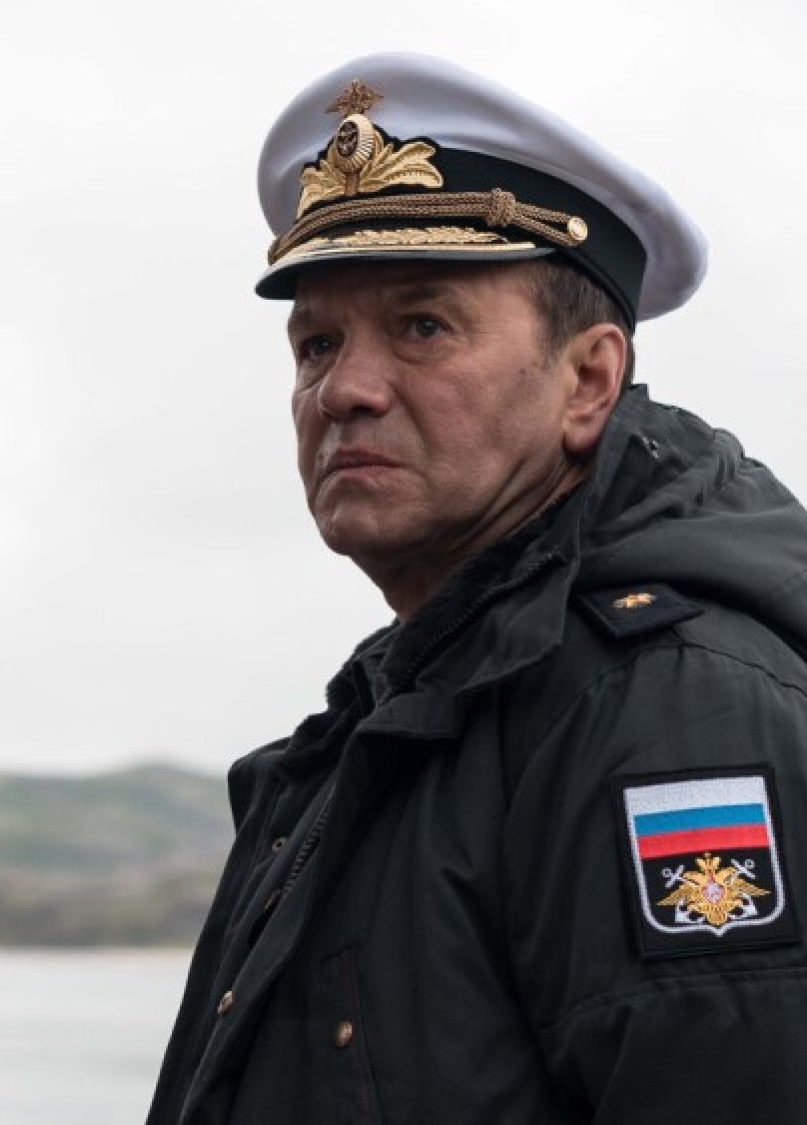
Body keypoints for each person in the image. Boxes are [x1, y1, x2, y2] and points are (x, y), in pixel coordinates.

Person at [148, 53, 807, 1123]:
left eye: (424, 327)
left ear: (588, 381)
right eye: (317, 343)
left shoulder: (668, 715)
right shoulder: (404, 710)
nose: (344, 390)